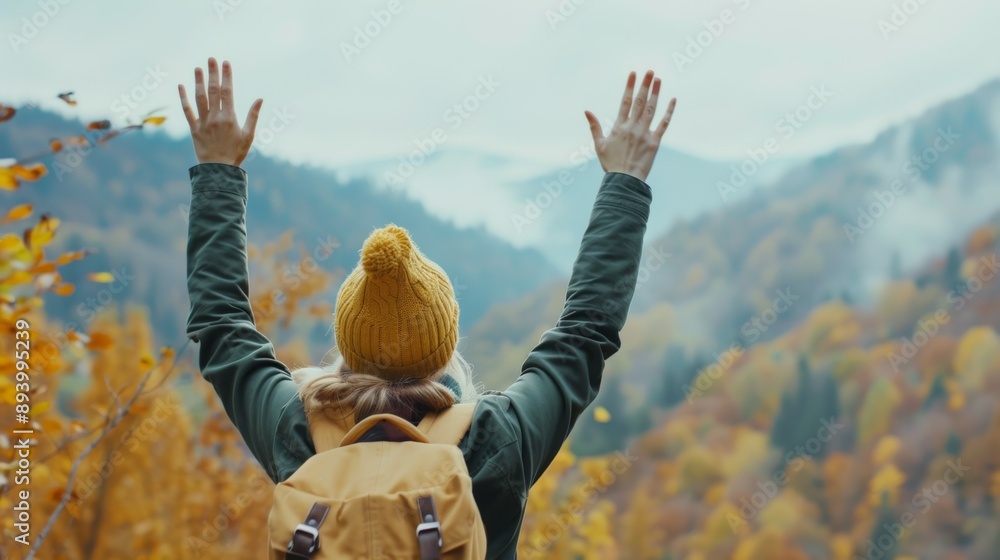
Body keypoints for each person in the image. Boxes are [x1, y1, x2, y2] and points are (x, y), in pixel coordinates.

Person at [179, 57, 676, 559]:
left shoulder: (298, 430)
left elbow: (222, 327)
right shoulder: (494, 439)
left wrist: (219, 172)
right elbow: (586, 332)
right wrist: (624, 182)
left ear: (348, 343)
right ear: (444, 345)